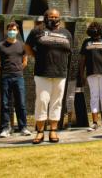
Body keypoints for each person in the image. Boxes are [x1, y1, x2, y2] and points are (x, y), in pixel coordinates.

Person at [24, 9, 73, 144]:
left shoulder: (66, 33)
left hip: (60, 73)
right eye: (51, 16)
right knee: (42, 101)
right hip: (42, 73)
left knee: (56, 102)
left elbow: (69, 50)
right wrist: (35, 56)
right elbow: (27, 46)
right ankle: (40, 132)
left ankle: (53, 131)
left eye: (56, 16)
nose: (54, 18)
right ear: (45, 18)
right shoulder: (37, 31)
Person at [0, 22, 32, 137]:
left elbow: (25, 61)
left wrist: (19, 69)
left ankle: (23, 127)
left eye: (14, 29)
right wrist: (4, 71)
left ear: (18, 31)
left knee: (20, 103)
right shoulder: (0, 46)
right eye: (10, 29)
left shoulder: (22, 45)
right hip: (5, 78)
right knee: (5, 103)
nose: (12, 31)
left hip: (18, 77)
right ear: (7, 31)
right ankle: (6, 128)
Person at [79, 21, 102, 132]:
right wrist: (82, 74)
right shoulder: (86, 42)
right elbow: (82, 60)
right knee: (94, 96)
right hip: (91, 73)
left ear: (101, 29)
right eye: (92, 28)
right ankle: (95, 123)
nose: (94, 29)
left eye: (96, 27)